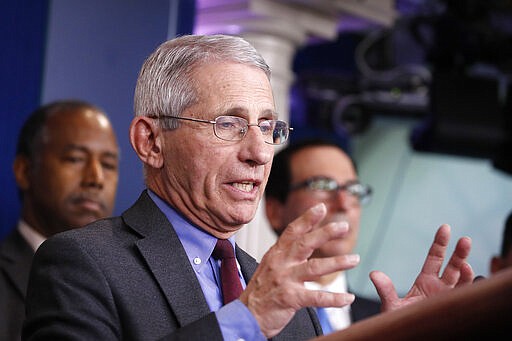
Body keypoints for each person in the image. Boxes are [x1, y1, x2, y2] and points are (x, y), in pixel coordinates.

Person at [23, 34, 474, 341]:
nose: (260, 154)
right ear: (151, 141)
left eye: (268, 127)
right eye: (229, 124)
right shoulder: (83, 264)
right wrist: (247, 321)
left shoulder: (286, 296)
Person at [0, 100, 119, 341]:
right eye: (75, 159)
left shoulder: (128, 284)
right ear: (24, 171)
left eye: (108, 164)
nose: (96, 178)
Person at [264, 138, 380, 333]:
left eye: (352, 189)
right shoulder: (240, 309)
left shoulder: (386, 319)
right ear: (275, 211)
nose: (343, 203)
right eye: (323, 185)